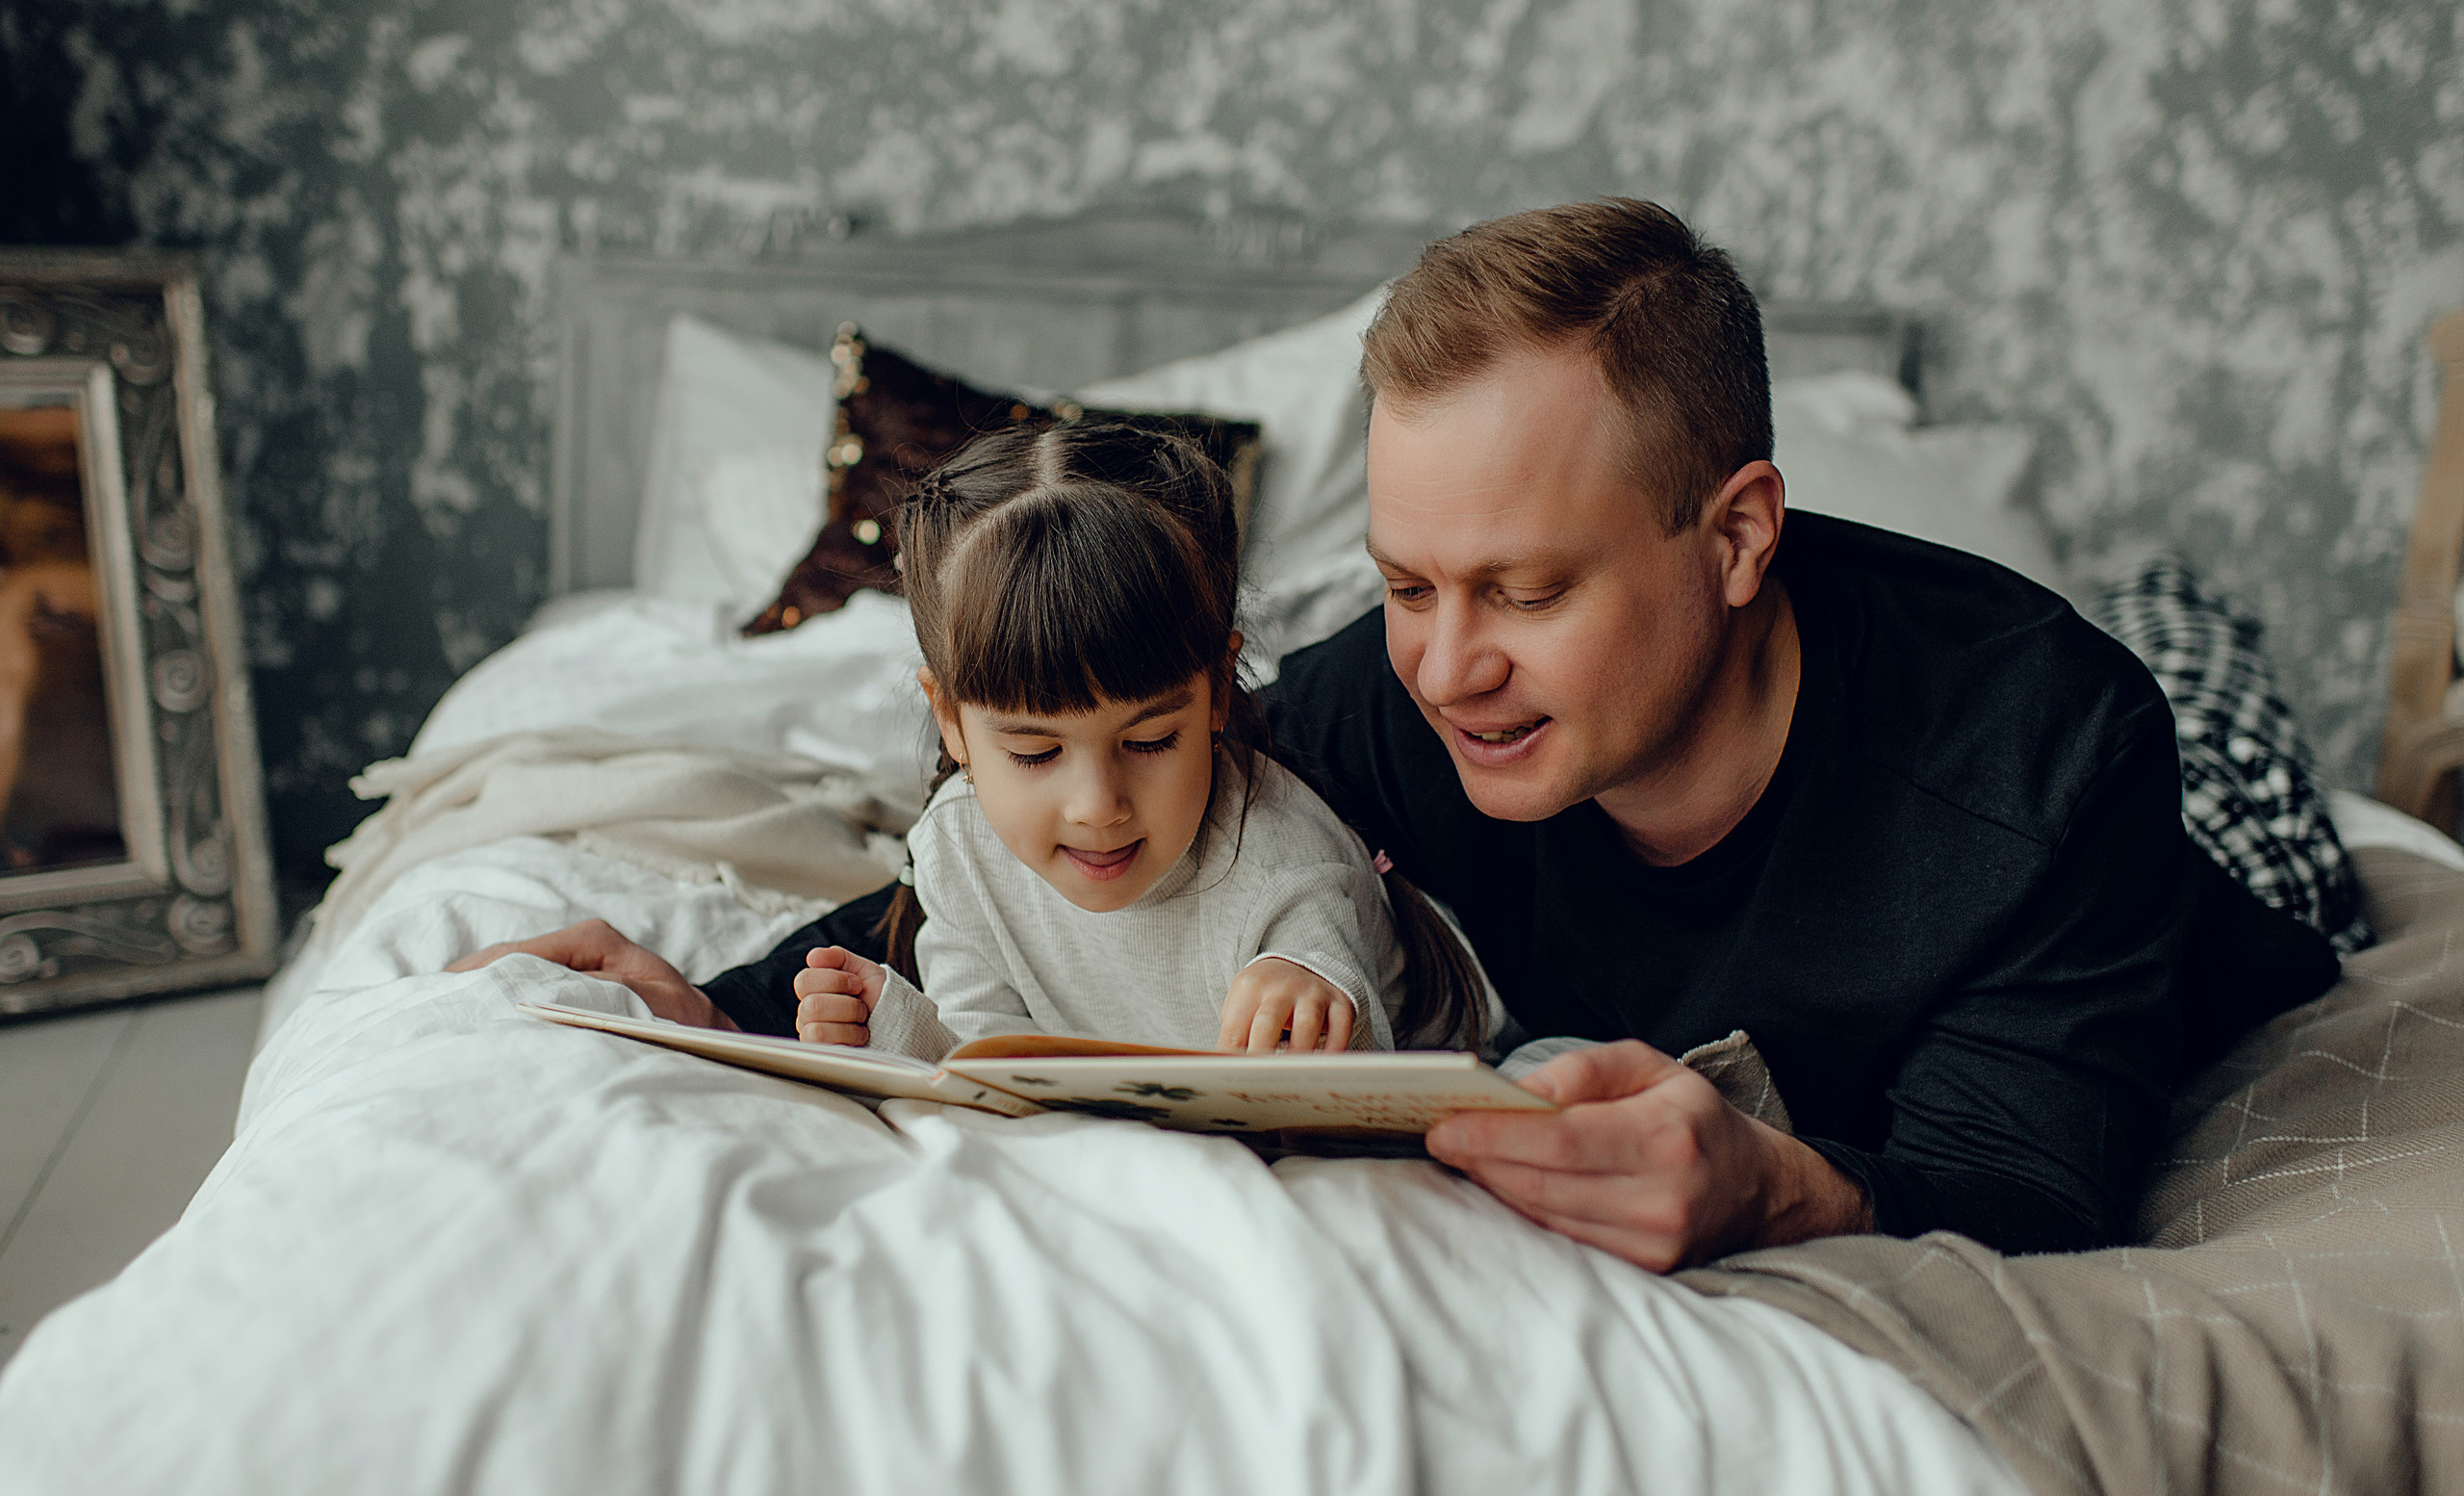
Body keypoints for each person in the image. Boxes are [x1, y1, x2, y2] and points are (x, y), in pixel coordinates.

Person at [461, 197, 2334, 1273]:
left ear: (1735, 532)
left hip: (2179, 908)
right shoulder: (1378, 698)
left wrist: (1772, 1182)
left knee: (2266, 803)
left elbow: (2022, 1183)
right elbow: (1113, 841)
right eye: (1402, 578)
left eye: (1521, 590)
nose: (1443, 667)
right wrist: (717, 993)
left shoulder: (2035, 756)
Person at [457, 419, 1489, 1063]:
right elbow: (993, 1055)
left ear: (1219, 688)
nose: (1096, 803)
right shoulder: (956, 847)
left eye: (1149, 739)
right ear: (949, 720)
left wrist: (1314, 1000)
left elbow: (1367, 1056)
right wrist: (884, 1024)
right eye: (1035, 753)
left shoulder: (1283, 860)